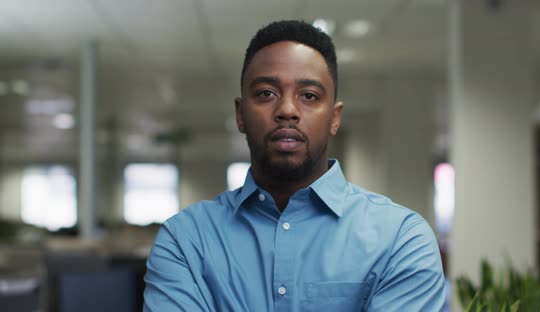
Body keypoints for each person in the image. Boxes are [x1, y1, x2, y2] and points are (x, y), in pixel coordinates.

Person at [143, 20, 445, 311]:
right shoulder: (186, 239)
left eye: (309, 96)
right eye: (266, 93)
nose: (287, 110)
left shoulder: (401, 239)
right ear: (240, 114)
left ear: (335, 118)